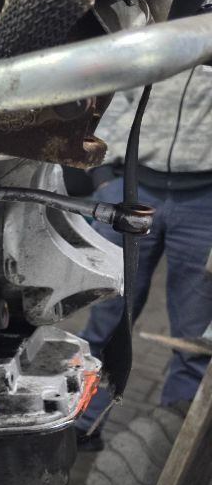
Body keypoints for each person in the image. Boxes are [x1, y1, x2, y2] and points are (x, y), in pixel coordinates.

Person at [76, 62, 212, 448]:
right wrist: (104, 176)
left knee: (193, 337)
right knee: (106, 315)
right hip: (134, 189)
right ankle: (82, 423)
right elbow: (121, 93)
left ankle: (165, 446)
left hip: (205, 203)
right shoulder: (165, 29)